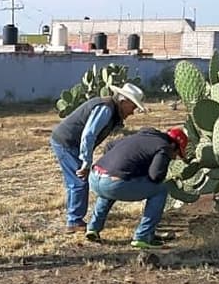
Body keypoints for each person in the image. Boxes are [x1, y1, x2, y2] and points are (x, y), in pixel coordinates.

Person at [49, 83, 146, 232]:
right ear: (123, 101)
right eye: (133, 106)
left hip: (69, 142)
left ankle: (73, 217)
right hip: (66, 142)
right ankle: (74, 221)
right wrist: (86, 163)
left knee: (75, 181)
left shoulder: (112, 109)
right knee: (79, 180)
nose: (133, 112)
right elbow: (89, 135)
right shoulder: (105, 108)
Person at [85, 126, 188, 249]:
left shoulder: (139, 136)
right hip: (113, 185)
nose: (174, 157)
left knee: (109, 187)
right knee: (161, 189)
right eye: (177, 153)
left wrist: (119, 168)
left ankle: (93, 228)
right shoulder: (164, 147)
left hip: (94, 177)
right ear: (173, 145)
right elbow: (156, 176)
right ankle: (143, 236)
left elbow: (109, 146)